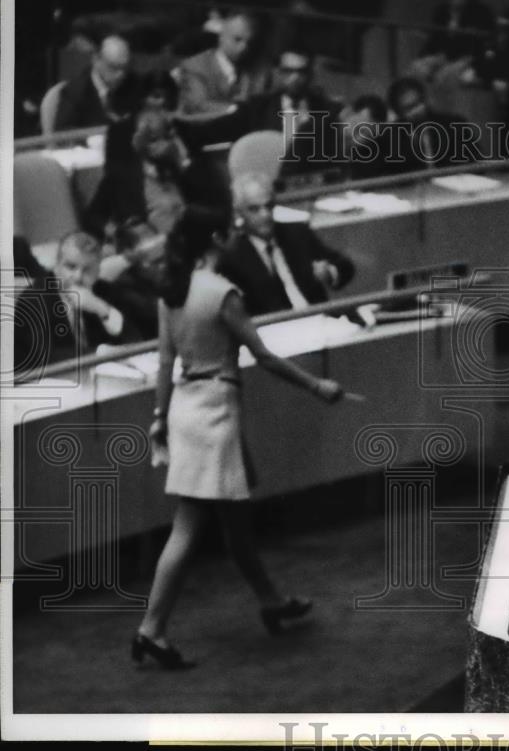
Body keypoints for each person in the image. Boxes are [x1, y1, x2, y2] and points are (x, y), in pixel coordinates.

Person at [133, 207, 344, 670]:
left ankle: (271, 600)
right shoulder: (221, 292)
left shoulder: (173, 292)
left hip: (188, 410)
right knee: (189, 528)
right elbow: (263, 356)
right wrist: (316, 386)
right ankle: (151, 628)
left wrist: (158, 416)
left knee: (236, 521)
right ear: (215, 238)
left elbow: (166, 362)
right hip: (216, 414)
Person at [84, 104, 229, 240]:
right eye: (151, 138)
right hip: (143, 249)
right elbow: (93, 218)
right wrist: (119, 232)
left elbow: (221, 212)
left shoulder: (188, 168)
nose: (160, 145)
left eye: (165, 137)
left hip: (187, 245)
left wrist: (180, 162)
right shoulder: (122, 175)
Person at [218, 172, 354, 316]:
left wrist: (329, 272)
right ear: (239, 213)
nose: (265, 215)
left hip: (320, 319)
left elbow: (346, 266)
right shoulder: (232, 255)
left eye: (269, 206)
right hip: (273, 329)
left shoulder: (297, 233)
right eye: (254, 209)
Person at [13, 232, 139, 375]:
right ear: (57, 265)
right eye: (71, 267)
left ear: (98, 269)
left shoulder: (103, 290)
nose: (78, 276)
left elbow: (134, 338)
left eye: (87, 269)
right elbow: (45, 356)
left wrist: (102, 309)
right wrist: (98, 353)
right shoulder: (33, 299)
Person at [242, 46, 345, 179]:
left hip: (313, 181)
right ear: (277, 72)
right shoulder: (257, 108)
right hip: (268, 179)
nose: (295, 77)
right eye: (288, 71)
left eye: (301, 71)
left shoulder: (327, 109)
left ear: (310, 74)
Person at [176, 12, 271, 116]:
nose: (244, 48)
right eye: (237, 39)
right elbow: (197, 104)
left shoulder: (256, 69)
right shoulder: (195, 65)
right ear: (221, 36)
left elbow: (261, 104)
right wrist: (235, 110)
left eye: (249, 42)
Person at [53, 33, 141, 131]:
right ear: (96, 59)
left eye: (125, 67)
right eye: (114, 67)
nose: (121, 75)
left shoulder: (132, 82)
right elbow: (62, 133)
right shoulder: (75, 91)